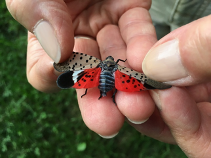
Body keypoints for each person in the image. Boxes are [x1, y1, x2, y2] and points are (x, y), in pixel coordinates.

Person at [6, 0, 211, 157]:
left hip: (98, 76)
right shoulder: (120, 68)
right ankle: (111, 92)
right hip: (118, 76)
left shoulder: (96, 63)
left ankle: (102, 90)